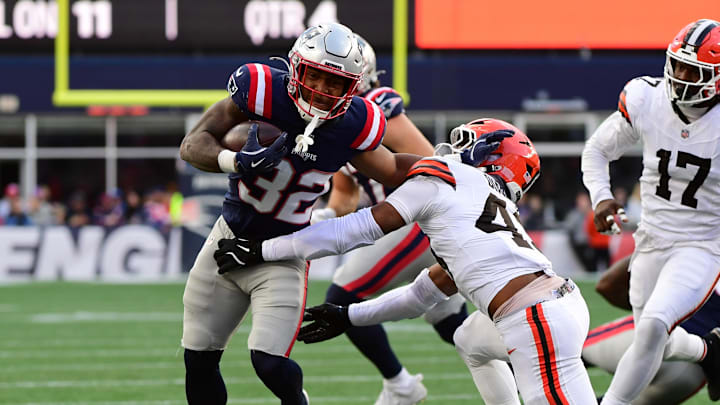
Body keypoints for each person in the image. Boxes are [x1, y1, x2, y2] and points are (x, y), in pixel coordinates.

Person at [178, 22, 487, 405]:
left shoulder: (355, 122)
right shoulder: (260, 89)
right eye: (316, 76)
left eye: (335, 83)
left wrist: (450, 168)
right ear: (295, 69)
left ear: (353, 86)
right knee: (199, 358)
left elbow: (390, 168)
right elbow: (193, 144)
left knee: (270, 364)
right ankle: (406, 383)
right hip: (227, 238)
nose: (322, 91)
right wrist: (235, 160)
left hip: (284, 250)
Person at [215, 119, 597, 404]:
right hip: (553, 306)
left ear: (491, 157)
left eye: (469, 143)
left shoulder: (447, 179)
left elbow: (355, 230)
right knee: (468, 339)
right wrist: (349, 316)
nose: (454, 148)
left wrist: (264, 249)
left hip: (534, 316)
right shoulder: (478, 212)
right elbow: (420, 295)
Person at [309, 35, 466, 405]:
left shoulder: (378, 106)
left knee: (344, 297)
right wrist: (326, 214)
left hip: (420, 220)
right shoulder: (338, 123)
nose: (320, 87)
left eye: (330, 77)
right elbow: (346, 193)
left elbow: (430, 166)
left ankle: (401, 385)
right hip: (406, 224)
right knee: (454, 328)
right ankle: (536, 378)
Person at [581, 18, 720, 404]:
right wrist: (600, 197)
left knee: (655, 325)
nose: (681, 75)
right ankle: (710, 350)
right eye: (677, 65)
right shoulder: (648, 98)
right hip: (651, 240)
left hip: (702, 245)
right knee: (653, 336)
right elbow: (597, 150)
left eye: (694, 70)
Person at [583, 255, 720, 404]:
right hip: (689, 377)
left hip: (653, 337)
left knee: (565, 357)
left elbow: (606, 285)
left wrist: (645, 309)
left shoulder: (697, 246)